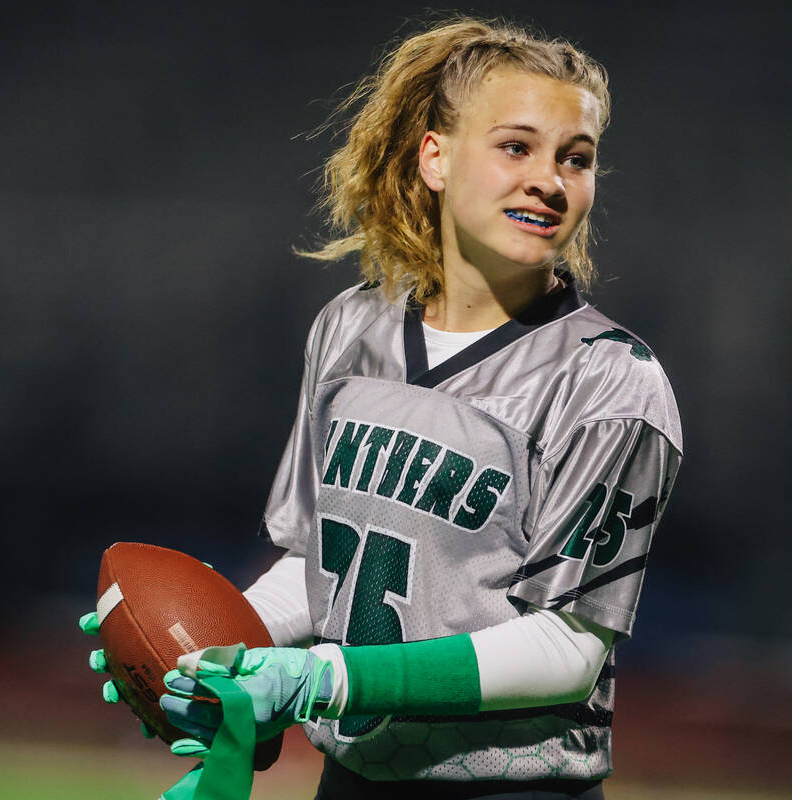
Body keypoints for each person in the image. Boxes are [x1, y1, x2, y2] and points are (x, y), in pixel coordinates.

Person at [94, 17, 680, 800]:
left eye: (576, 158)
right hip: (354, 780)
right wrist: (211, 654)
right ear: (435, 157)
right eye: (516, 147)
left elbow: (566, 648)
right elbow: (317, 563)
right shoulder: (348, 329)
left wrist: (319, 679)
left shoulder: (611, 380)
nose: (550, 179)